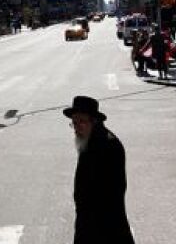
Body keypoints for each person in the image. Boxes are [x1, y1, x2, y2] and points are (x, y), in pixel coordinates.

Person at [64, 96, 134, 244]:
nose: (76, 127)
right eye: (74, 123)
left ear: (94, 121)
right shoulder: (90, 139)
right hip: (92, 223)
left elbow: (112, 194)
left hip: (102, 228)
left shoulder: (106, 146)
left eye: (81, 121)